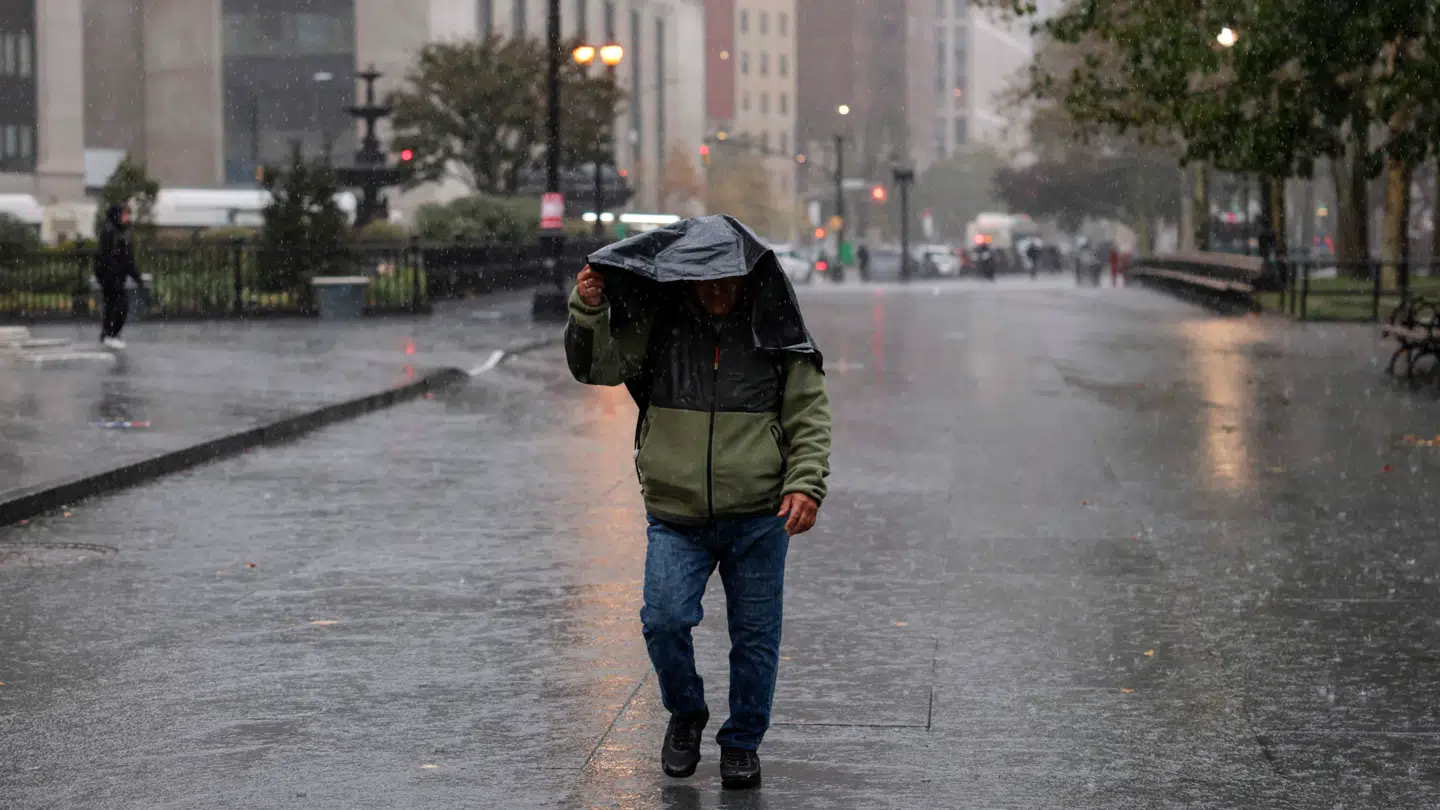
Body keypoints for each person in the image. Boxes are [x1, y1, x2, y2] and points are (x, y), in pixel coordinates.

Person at [564, 241, 832, 791]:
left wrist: (806, 483)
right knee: (663, 620)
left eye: (726, 280)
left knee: (755, 637)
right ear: (685, 280)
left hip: (758, 515)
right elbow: (596, 368)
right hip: (676, 513)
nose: (715, 291)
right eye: (703, 280)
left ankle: (741, 744)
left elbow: (809, 414)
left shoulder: (775, 333)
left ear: (747, 281)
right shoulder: (661, 327)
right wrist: (588, 308)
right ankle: (686, 712)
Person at [94, 204, 144, 349]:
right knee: (117, 307)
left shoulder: (120, 231)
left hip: (115, 277)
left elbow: (127, 259)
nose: (127, 217)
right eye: (124, 214)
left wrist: (135, 275)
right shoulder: (111, 231)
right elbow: (109, 256)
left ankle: (109, 335)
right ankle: (109, 335)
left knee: (115, 307)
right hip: (111, 277)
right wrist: (110, 274)